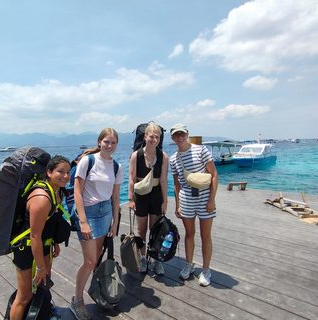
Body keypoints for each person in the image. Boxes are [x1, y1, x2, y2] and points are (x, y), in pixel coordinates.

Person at [70, 128, 124, 320]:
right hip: (89, 212)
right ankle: (77, 300)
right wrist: (83, 221)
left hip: (106, 212)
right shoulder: (88, 161)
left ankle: (95, 289)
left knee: (97, 256)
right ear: (100, 142)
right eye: (106, 142)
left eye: (113, 143)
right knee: (90, 261)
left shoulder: (116, 167)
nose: (110, 146)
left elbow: (116, 196)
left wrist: (115, 222)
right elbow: (77, 191)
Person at [9, 155, 71, 320]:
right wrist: (41, 267)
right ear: (49, 172)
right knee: (24, 296)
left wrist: (55, 244)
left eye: (68, 172)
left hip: (44, 246)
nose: (65, 176)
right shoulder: (42, 198)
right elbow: (35, 235)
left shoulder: (57, 191)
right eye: (61, 172)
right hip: (28, 249)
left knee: (42, 287)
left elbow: (50, 224)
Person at [169, 124, 218, 287]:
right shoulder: (173, 159)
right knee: (189, 233)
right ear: (172, 138)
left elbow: (214, 174)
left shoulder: (201, 150)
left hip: (204, 199)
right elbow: (176, 183)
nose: (179, 138)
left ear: (187, 134)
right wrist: (177, 204)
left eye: (182, 134)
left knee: (205, 235)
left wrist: (212, 199)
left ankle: (206, 269)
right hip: (186, 199)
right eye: (176, 135)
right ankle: (189, 264)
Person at [128, 123, 169, 275]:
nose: (154, 139)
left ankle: (156, 259)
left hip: (157, 194)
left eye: (157, 137)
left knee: (156, 229)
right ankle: (143, 257)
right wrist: (130, 199)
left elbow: (164, 180)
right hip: (141, 195)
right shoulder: (136, 155)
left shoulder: (163, 156)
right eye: (151, 136)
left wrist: (165, 201)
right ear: (145, 137)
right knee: (141, 229)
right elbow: (131, 179)